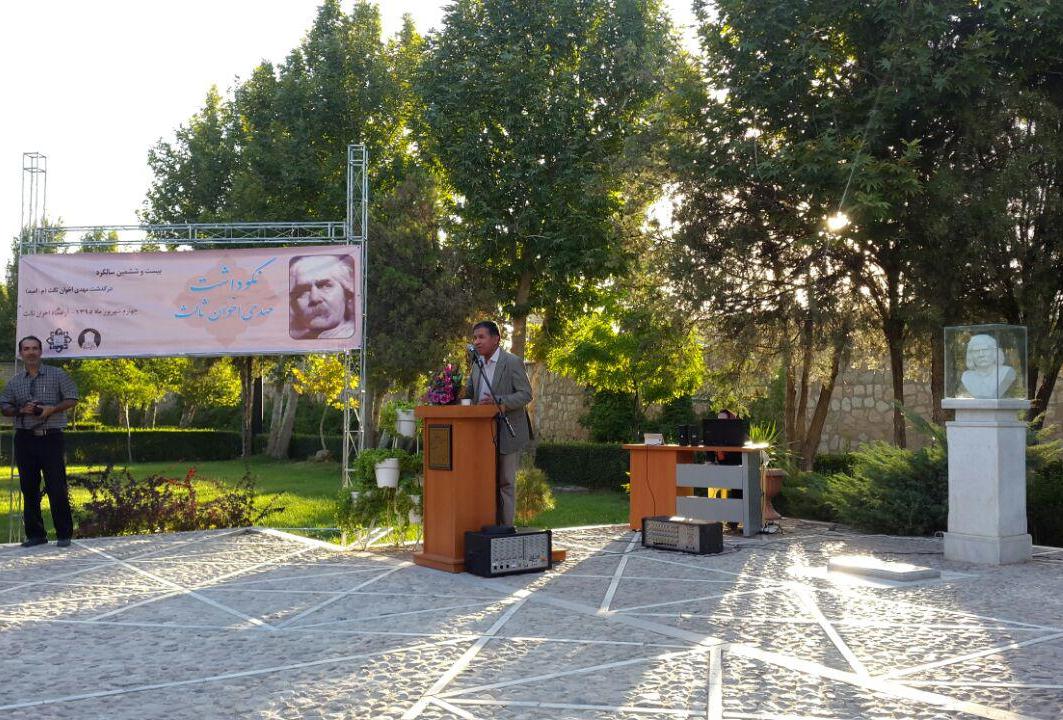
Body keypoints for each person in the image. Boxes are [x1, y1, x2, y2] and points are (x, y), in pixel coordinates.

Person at [0, 336, 79, 548]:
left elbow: (72, 397)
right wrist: (21, 410)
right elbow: (4, 405)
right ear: (21, 354)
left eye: (35, 348)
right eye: (26, 349)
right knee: (29, 488)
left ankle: (64, 534)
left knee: (57, 486)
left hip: (51, 437)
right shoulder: (15, 381)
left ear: (41, 351)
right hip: (25, 439)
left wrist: (52, 409)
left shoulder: (57, 374)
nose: (31, 352)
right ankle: (36, 535)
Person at [465, 321, 533, 527]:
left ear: (496, 339)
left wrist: (501, 402)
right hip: (480, 433)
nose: (477, 342)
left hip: (507, 431)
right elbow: (469, 394)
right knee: (483, 481)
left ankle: (506, 529)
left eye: (481, 337)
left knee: (505, 482)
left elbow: (526, 394)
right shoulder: (476, 365)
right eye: (475, 338)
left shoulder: (511, 362)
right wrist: (445, 391)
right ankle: (485, 525)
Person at [289, 254, 357, 339]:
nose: (314, 298)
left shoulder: (356, 338)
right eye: (303, 291)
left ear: (346, 294)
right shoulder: (291, 343)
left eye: (325, 286)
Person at [961, 334, 1016, 399]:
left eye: (985, 350)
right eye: (976, 351)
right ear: (970, 355)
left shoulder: (1006, 372)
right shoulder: (967, 376)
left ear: (995, 352)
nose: (981, 355)